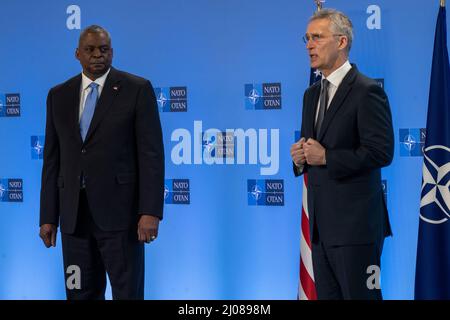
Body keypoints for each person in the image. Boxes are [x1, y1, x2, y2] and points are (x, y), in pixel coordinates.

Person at [39, 25, 165, 300]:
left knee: (127, 294)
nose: (98, 55)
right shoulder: (58, 95)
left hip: (122, 219)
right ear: (77, 54)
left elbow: (151, 155)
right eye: (90, 50)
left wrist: (150, 212)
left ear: (112, 52)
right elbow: (51, 160)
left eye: (104, 49)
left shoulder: (136, 89)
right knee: (78, 294)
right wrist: (48, 216)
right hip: (74, 221)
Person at [290, 9, 394, 299]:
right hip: (321, 230)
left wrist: (327, 157)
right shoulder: (311, 95)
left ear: (341, 42)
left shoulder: (367, 91)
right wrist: (300, 158)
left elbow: (381, 152)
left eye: (317, 37)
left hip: (357, 231)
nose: (309, 45)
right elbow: (313, 151)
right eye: (307, 38)